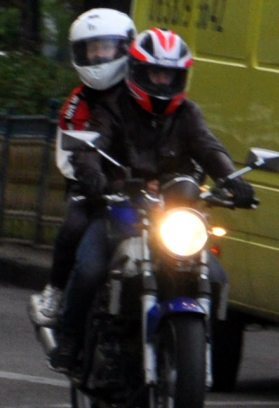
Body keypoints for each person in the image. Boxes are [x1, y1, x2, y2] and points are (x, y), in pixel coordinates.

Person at [54, 28, 253, 371]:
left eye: (170, 75)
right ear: (137, 71)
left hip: (171, 212)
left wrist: (233, 181)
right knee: (89, 269)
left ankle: (200, 354)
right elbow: (92, 146)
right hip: (119, 207)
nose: (162, 82)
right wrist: (95, 176)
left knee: (216, 276)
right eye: (155, 73)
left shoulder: (187, 113)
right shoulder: (113, 107)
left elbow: (209, 147)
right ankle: (69, 339)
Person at [28, 7, 135, 332]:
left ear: (125, 48)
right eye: (93, 49)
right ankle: (56, 291)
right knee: (73, 227)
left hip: (140, 188)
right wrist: (93, 181)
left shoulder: (141, 96)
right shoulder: (77, 103)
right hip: (92, 191)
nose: (100, 55)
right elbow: (68, 155)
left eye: (107, 47)